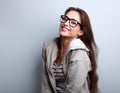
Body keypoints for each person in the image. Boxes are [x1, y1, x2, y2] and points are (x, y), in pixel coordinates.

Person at [41, 7, 99, 93]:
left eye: (73, 22)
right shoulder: (49, 46)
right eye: (65, 18)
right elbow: (46, 86)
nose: (66, 23)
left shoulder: (79, 51)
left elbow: (73, 91)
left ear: (81, 32)